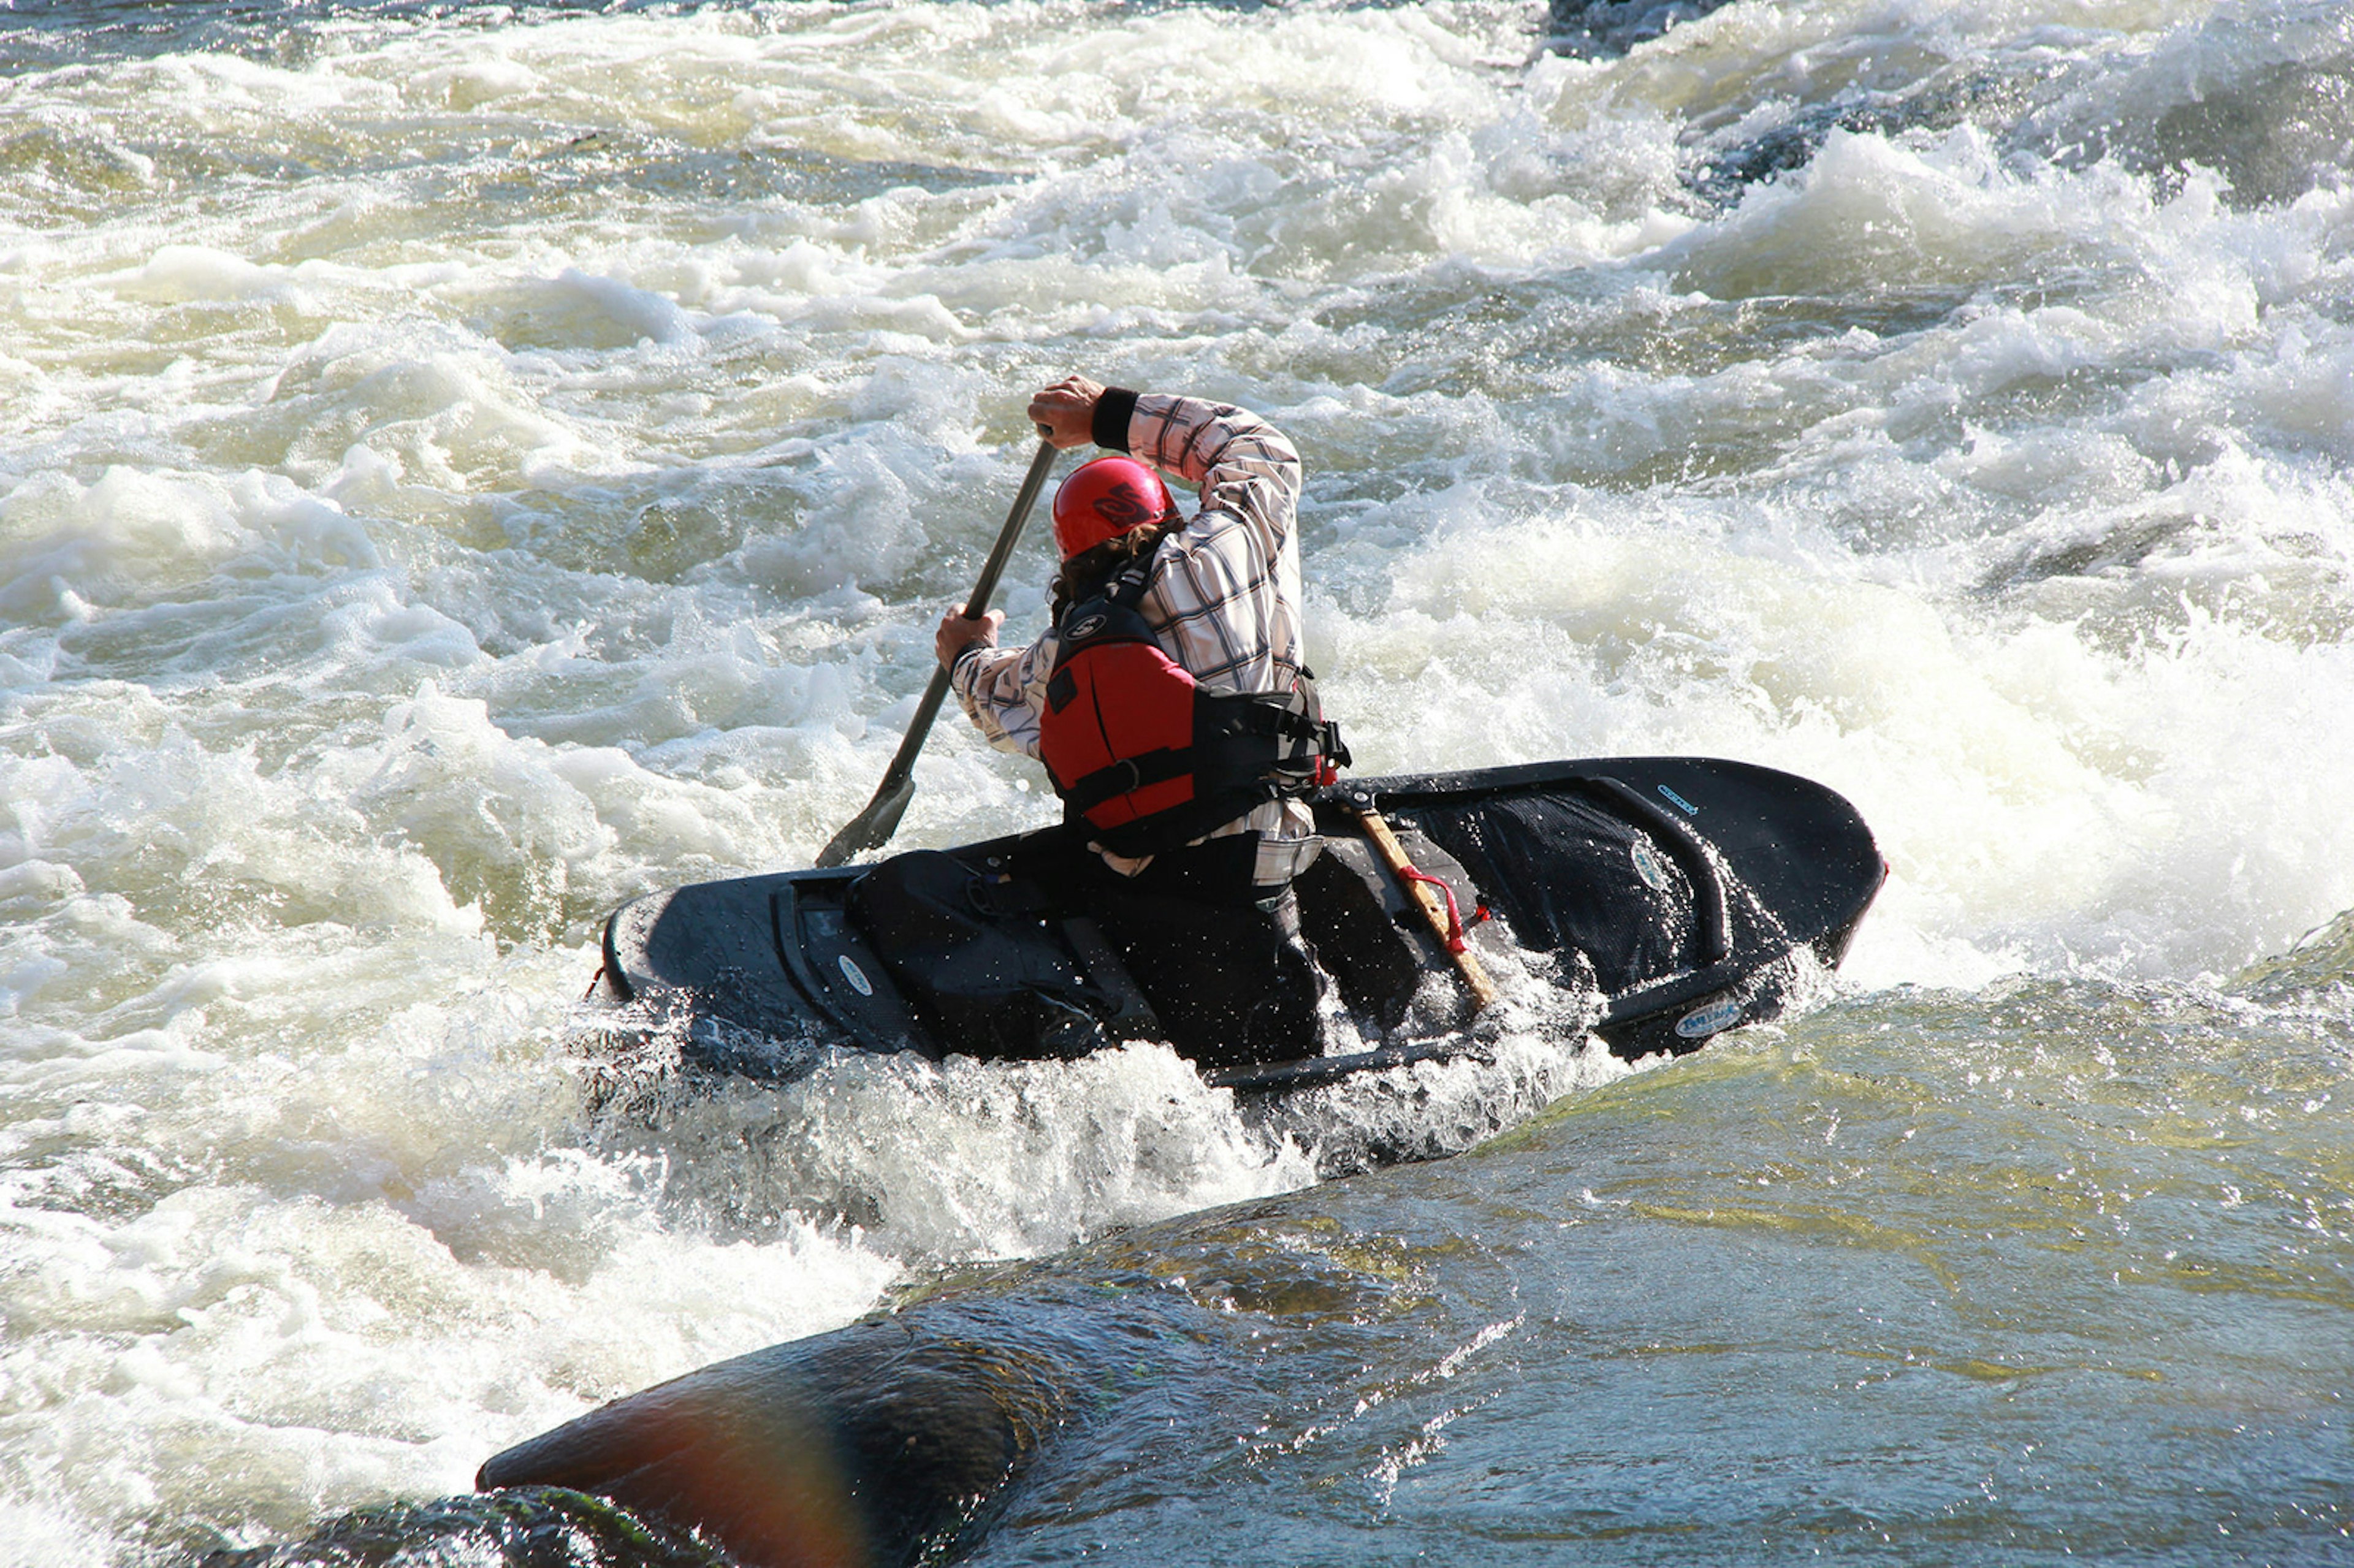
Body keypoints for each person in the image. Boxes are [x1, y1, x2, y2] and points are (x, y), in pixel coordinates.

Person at [932, 377, 1344, 1067]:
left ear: (1072, 556)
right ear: (1166, 512)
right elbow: (1256, 448)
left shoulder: (1064, 651)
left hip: (1146, 891)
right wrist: (1105, 416)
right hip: (1258, 872)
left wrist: (964, 651)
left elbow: (995, 702)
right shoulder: (1223, 549)